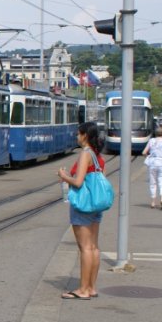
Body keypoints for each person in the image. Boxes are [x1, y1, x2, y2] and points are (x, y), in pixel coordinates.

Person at [56, 121, 106, 300]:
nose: (76, 137)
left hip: (83, 205)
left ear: (84, 135)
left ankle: (83, 290)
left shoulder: (85, 154)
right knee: (93, 247)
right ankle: (91, 287)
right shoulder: (97, 155)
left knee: (84, 248)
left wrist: (64, 176)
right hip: (96, 204)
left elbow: (78, 182)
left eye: (78, 134)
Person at [142, 127, 162, 210]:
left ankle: (153, 202)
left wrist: (149, 156)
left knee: (153, 182)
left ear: (155, 133)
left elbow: (144, 152)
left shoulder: (151, 141)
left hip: (153, 163)